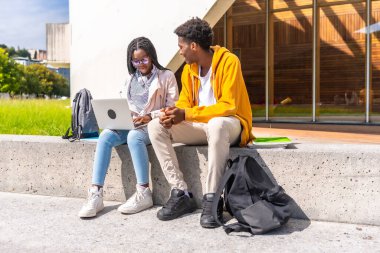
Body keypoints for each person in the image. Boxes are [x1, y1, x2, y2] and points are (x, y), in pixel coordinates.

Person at [148, 18, 254, 228]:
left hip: (230, 125)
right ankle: (181, 193)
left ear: (194, 46)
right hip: (201, 125)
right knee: (156, 126)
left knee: (216, 124)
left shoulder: (229, 61)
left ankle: (213, 198)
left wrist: (186, 114)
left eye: (181, 47)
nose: (180, 52)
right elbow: (185, 103)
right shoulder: (189, 70)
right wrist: (173, 114)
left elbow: (228, 106)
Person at [78, 37, 178, 218]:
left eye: (144, 59)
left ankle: (143, 192)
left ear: (152, 56)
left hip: (154, 126)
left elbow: (173, 108)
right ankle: (96, 194)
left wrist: (149, 116)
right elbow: (125, 104)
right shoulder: (130, 79)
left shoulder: (166, 76)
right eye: (136, 61)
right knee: (106, 136)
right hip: (132, 124)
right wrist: (128, 116)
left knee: (134, 137)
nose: (141, 64)